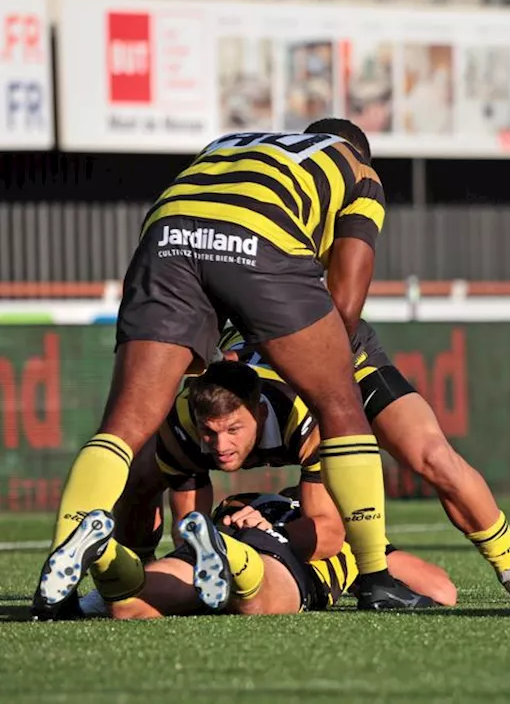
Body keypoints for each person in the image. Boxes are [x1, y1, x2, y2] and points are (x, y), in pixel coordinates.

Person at [32, 121, 418, 619]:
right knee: (339, 400)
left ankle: (69, 570)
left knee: (123, 428)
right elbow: (344, 302)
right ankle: (374, 578)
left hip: (166, 233)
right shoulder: (358, 169)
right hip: (258, 235)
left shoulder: (233, 144)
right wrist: (303, 356)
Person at [65, 358, 438, 614]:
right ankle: (108, 559)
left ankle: (112, 561)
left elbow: (327, 532)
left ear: (259, 414)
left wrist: (365, 566)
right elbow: (187, 537)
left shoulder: (305, 419)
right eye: (209, 433)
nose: (221, 445)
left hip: (252, 542)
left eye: (232, 430)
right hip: (248, 549)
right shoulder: (182, 425)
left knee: (145, 603)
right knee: (132, 607)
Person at [220, 321, 510, 604]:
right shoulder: (206, 409)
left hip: (340, 360)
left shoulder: (289, 263)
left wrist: (278, 531)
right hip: (256, 388)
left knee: (432, 456)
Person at [78, 487, 456, 619]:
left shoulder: (248, 500)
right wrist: (369, 568)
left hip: (223, 528)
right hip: (277, 559)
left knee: (127, 607)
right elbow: (443, 592)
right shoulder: (350, 534)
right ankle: (228, 555)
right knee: (254, 601)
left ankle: (105, 555)